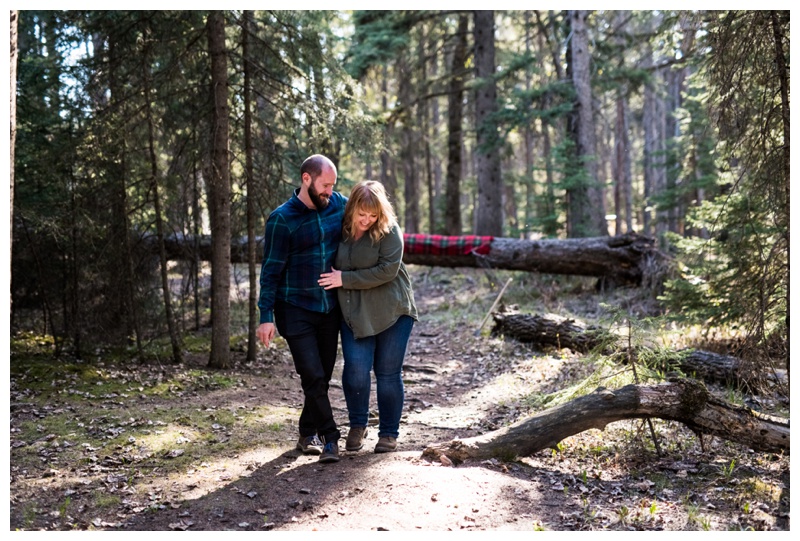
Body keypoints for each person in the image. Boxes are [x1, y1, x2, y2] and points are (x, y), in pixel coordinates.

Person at [257, 154, 345, 464]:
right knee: (312, 374)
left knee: (321, 375)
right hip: (294, 307)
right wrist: (265, 316)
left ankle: (306, 432)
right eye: (324, 185)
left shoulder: (338, 204)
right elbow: (270, 272)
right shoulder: (282, 219)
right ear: (306, 179)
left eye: (333, 186)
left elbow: (370, 217)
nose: (329, 192)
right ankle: (331, 438)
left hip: (328, 307)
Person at [318, 180, 418, 454]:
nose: (366, 220)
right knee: (356, 371)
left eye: (373, 215)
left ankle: (388, 433)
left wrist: (344, 279)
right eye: (362, 214)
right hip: (355, 312)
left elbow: (387, 270)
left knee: (387, 373)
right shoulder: (340, 227)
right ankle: (357, 425)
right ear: (352, 209)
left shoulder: (389, 230)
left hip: (392, 310)